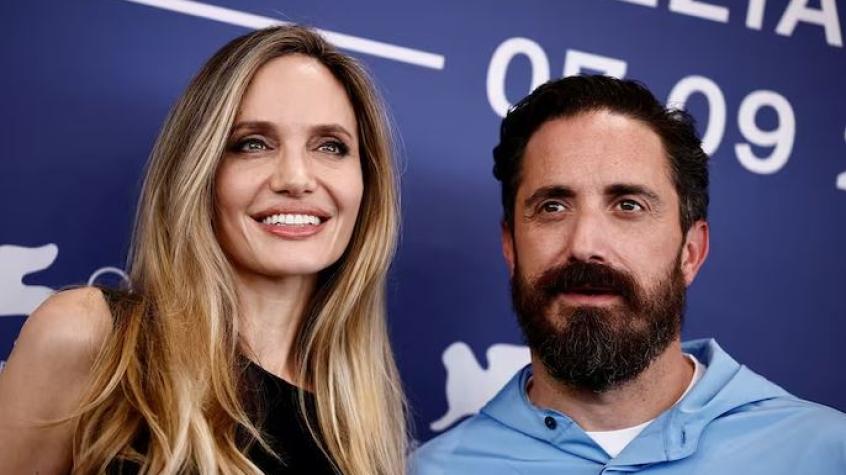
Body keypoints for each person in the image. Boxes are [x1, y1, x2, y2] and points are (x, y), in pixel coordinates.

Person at [0, 25, 407, 474]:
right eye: (252, 143)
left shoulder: (357, 420)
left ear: (367, 183)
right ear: (200, 170)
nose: (296, 177)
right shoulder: (90, 337)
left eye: (330, 146)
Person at [412, 75, 846, 474]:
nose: (585, 245)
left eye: (628, 205)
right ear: (511, 248)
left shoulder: (826, 452)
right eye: (553, 207)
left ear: (691, 252)